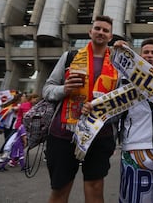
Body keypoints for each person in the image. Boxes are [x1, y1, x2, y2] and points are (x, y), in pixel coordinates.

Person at [42, 15, 119, 203]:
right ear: (90, 32)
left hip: (99, 135)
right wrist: (64, 89)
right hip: (64, 135)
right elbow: (47, 89)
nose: (101, 32)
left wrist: (102, 111)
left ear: (110, 37)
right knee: (60, 189)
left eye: (105, 30)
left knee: (95, 187)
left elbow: (122, 101)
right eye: (98, 28)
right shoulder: (70, 57)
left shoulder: (118, 63)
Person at [116, 38, 153, 203]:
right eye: (146, 52)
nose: (150, 55)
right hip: (134, 147)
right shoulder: (125, 79)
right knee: (131, 195)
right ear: (140, 55)